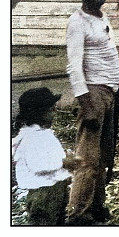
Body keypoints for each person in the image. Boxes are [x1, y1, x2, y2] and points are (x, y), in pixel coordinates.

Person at [65, 0, 119, 225]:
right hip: (93, 94)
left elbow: (112, 58)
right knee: (87, 159)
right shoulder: (77, 22)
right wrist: (87, 104)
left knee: (104, 157)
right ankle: (78, 214)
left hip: (110, 92)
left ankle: (96, 208)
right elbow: (74, 66)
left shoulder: (103, 19)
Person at [12, 87, 73, 225]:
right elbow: (39, 165)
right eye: (51, 109)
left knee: (57, 220)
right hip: (43, 193)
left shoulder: (43, 133)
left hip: (54, 189)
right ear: (38, 113)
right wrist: (64, 163)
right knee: (44, 222)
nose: (55, 112)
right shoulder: (31, 137)